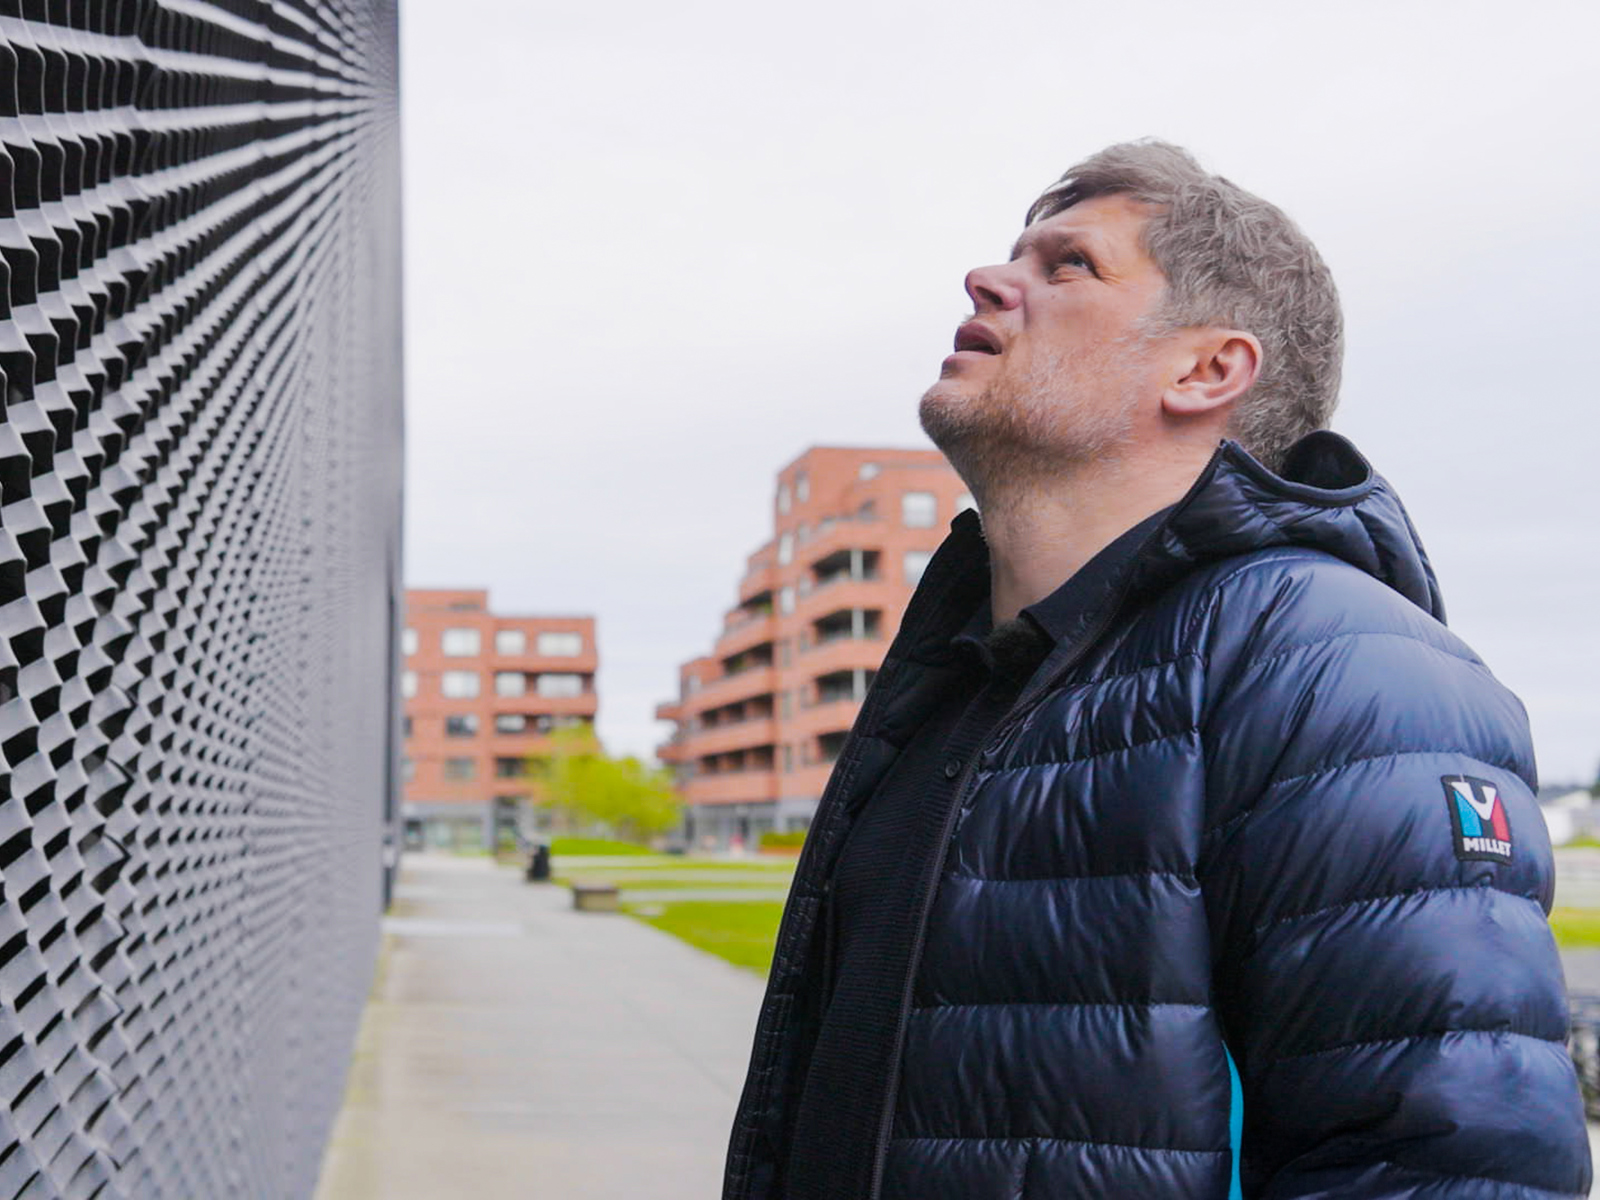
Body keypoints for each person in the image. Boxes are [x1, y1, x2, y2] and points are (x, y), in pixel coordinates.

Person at [722, 140, 1591, 1199]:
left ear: (1206, 369)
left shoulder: (1339, 674)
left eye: (1068, 265)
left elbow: (1447, 1170)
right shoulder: (955, 683)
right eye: (1013, 257)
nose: (988, 281)